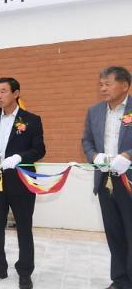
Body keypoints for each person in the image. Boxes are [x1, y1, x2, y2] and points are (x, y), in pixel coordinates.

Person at [0, 78, 45, 289]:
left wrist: (19, 157)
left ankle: (25, 271)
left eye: (3, 91)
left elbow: (39, 150)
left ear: (16, 93)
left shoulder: (32, 120)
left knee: (24, 228)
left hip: (22, 181)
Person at [82, 66, 132, 289]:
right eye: (100, 84)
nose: (103, 88)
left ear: (125, 85)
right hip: (105, 181)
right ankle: (120, 280)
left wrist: (129, 155)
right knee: (114, 234)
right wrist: (94, 156)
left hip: (129, 181)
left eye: (107, 84)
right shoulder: (94, 111)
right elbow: (87, 141)